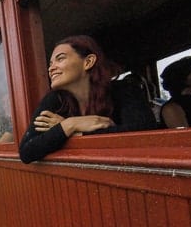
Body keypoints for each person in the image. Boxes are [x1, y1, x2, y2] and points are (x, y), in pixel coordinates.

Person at [19, 35, 157, 163]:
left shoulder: (124, 90)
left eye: (60, 59)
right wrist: (70, 125)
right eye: (50, 63)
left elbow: (144, 132)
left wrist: (78, 134)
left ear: (88, 62)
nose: (51, 68)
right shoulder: (55, 100)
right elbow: (27, 152)